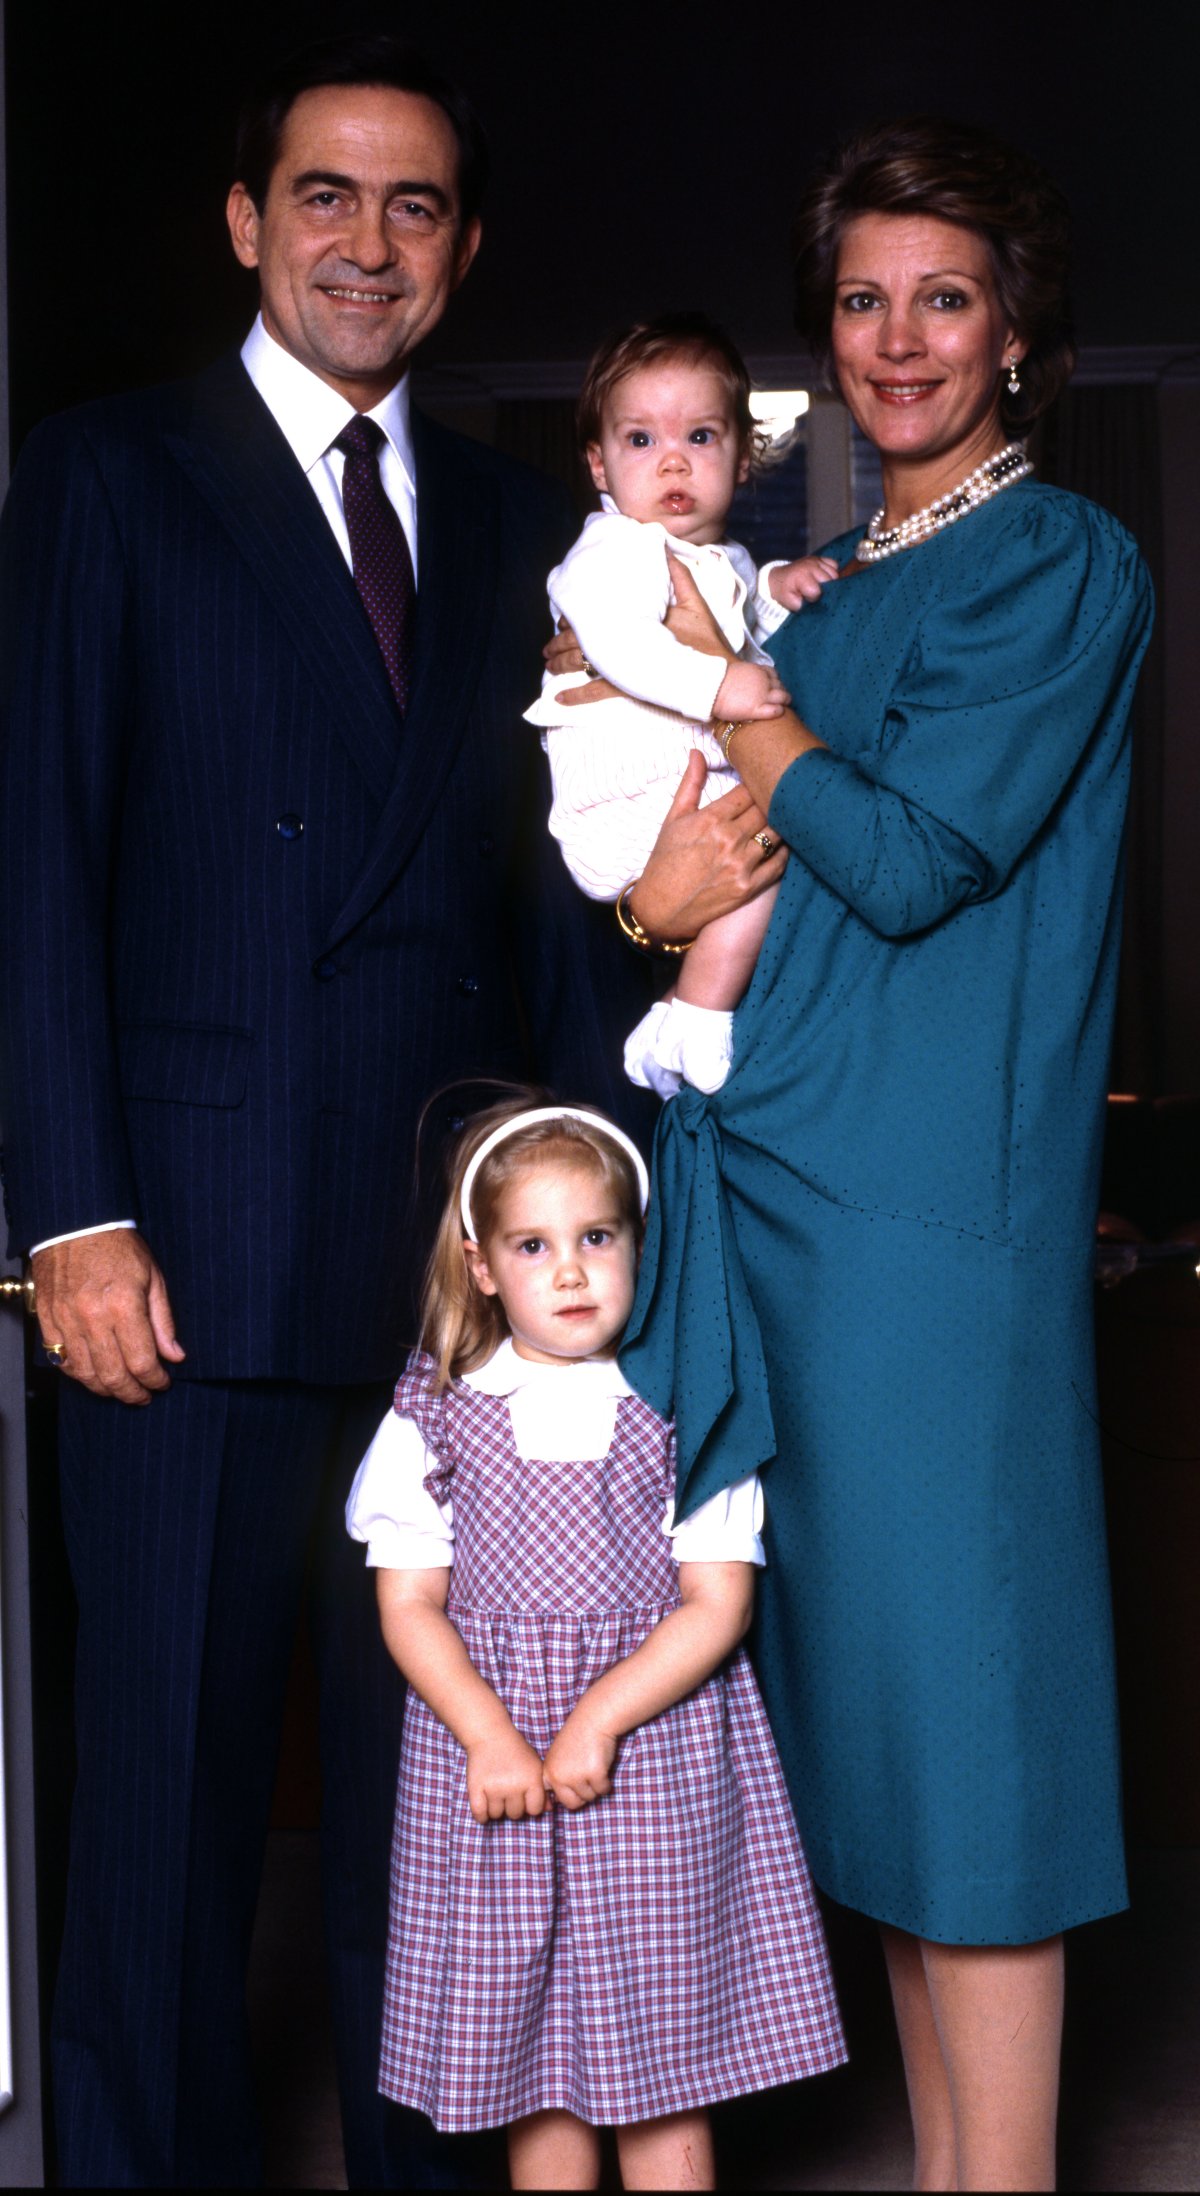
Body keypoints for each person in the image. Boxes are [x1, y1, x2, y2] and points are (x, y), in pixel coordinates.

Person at [0, 33, 661, 2190]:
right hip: (175, 1262)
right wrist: (70, 1212)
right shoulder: (105, 474)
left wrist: (594, 1232)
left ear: (462, 257)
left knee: (438, 1833)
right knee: (165, 1825)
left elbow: (558, 898)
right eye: (324, 196)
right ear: (243, 221)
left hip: (450, 1287)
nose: (365, 243)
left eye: (412, 209)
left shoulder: (511, 515)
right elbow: (38, 860)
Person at [558, 117, 1154, 2192]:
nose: (901, 339)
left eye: (949, 298)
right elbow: (679, 849)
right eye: (865, 300)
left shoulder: (1064, 561)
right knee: (874, 1780)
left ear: (1017, 334)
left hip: (926, 1239)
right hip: (769, 1206)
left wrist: (758, 715)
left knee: (969, 1765)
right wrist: (747, 688)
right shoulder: (818, 588)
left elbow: (899, 863)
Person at [345, 1098, 846, 2192]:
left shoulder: (677, 1410)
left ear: (640, 1246)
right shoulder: (435, 1411)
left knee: (661, 2057)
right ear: (482, 1267)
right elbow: (410, 1605)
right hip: (496, 1764)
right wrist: (489, 1737)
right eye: (534, 1245)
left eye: (597, 1238)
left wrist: (597, 1719)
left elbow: (717, 1605)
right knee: (538, 2058)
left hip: (649, 1767)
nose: (570, 1271)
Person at [526, 313, 837, 1095]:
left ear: (744, 455)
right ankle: (694, 1012)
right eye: (641, 441)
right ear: (599, 463)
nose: (673, 460)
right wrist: (718, 684)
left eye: (700, 437)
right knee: (791, 839)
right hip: (627, 795)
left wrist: (775, 587)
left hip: (683, 786)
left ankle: (686, 1014)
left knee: (789, 849)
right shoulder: (614, 550)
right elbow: (621, 641)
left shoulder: (712, 555)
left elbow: (735, 616)